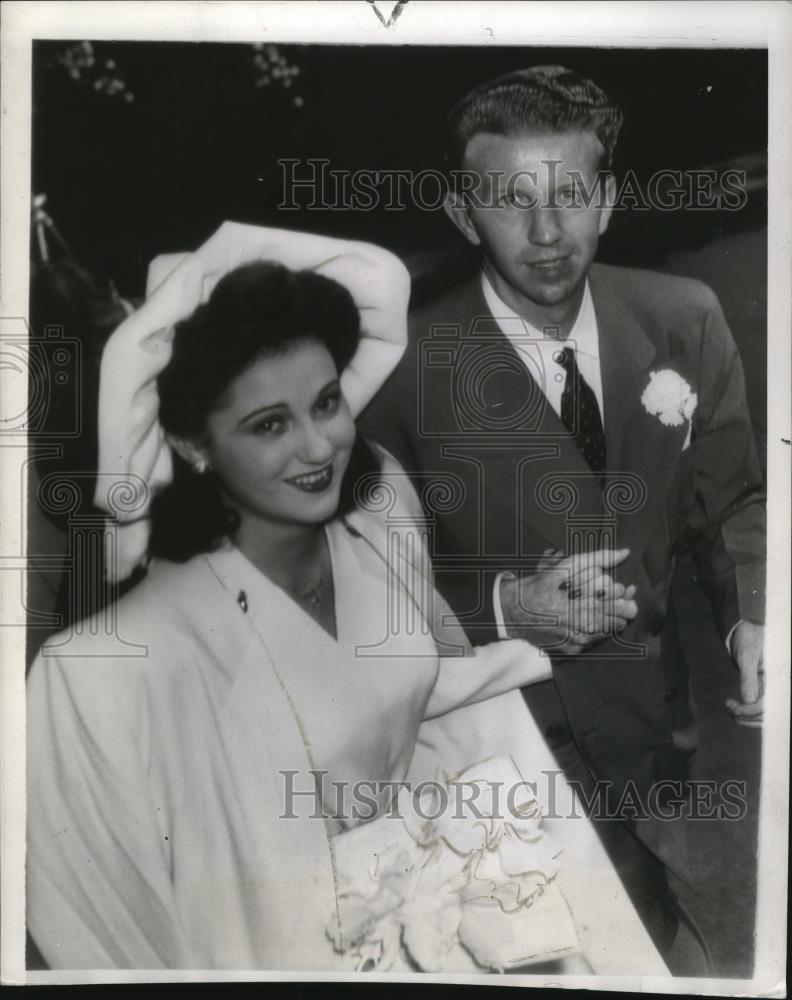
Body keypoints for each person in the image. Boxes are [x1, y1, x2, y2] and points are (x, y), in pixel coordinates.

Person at [26, 224, 662, 973]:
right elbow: (104, 931)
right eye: (269, 425)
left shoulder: (375, 522)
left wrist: (529, 628)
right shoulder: (105, 667)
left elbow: (422, 685)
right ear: (194, 445)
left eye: (326, 402)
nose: (319, 444)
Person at [360, 66, 766, 972]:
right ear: (465, 218)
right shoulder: (398, 378)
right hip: (500, 757)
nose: (548, 232)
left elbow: (737, 499)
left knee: (665, 942)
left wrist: (754, 614)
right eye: (510, 201)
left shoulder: (681, 320)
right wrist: (505, 611)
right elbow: (354, 603)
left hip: (656, 741)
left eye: (571, 193)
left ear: (609, 200)